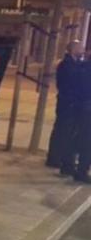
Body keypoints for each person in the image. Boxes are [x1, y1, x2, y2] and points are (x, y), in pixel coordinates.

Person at [45, 41, 84, 173]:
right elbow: (71, 83)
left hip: (67, 102)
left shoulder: (72, 64)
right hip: (67, 103)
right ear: (73, 49)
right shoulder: (67, 65)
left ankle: (56, 157)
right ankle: (55, 158)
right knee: (62, 130)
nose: (82, 50)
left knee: (63, 130)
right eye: (80, 48)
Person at [72, 50, 91, 183]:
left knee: (83, 139)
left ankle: (78, 168)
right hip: (87, 109)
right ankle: (81, 171)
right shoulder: (86, 70)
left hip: (83, 108)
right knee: (86, 142)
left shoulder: (82, 67)